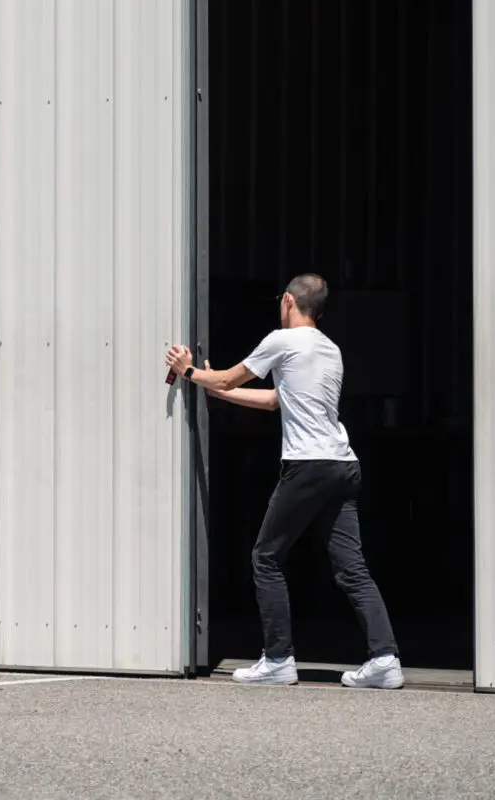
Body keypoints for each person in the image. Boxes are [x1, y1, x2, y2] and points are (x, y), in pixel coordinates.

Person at [166, 273, 403, 690]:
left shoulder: (282, 340)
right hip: (342, 466)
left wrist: (189, 373)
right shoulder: (331, 349)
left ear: (290, 302)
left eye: (281, 300)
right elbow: (277, 399)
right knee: (352, 569)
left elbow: (224, 377)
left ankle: (277, 659)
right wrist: (218, 393)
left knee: (266, 557)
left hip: (307, 466)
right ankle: (385, 659)